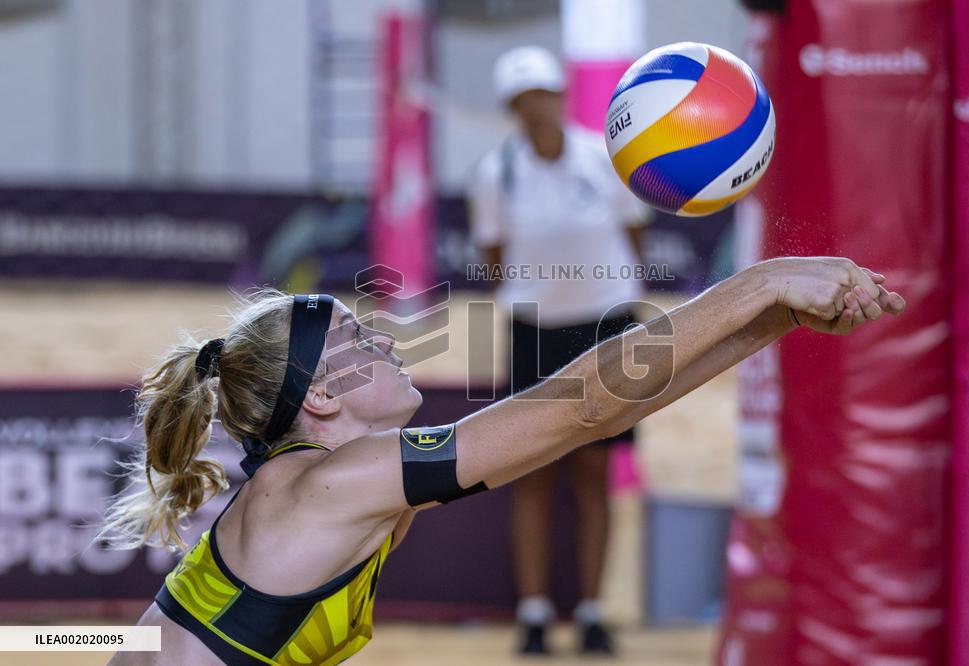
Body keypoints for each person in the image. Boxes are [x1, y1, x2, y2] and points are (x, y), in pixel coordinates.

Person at [105, 257, 905, 665]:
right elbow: (582, 405)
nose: (387, 339)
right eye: (359, 339)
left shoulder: (328, 483)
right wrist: (758, 282)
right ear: (319, 398)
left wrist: (775, 317)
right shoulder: (329, 483)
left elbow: (596, 415)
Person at [466, 46, 650, 654]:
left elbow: (634, 231)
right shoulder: (497, 173)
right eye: (524, 99)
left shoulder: (603, 160)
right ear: (512, 108)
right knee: (534, 470)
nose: (536, 106)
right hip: (536, 331)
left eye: (543, 93)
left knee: (598, 470)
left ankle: (594, 611)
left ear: (559, 95)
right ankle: (536, 613)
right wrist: (534, 297)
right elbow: (492, 254)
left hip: (606, 324)